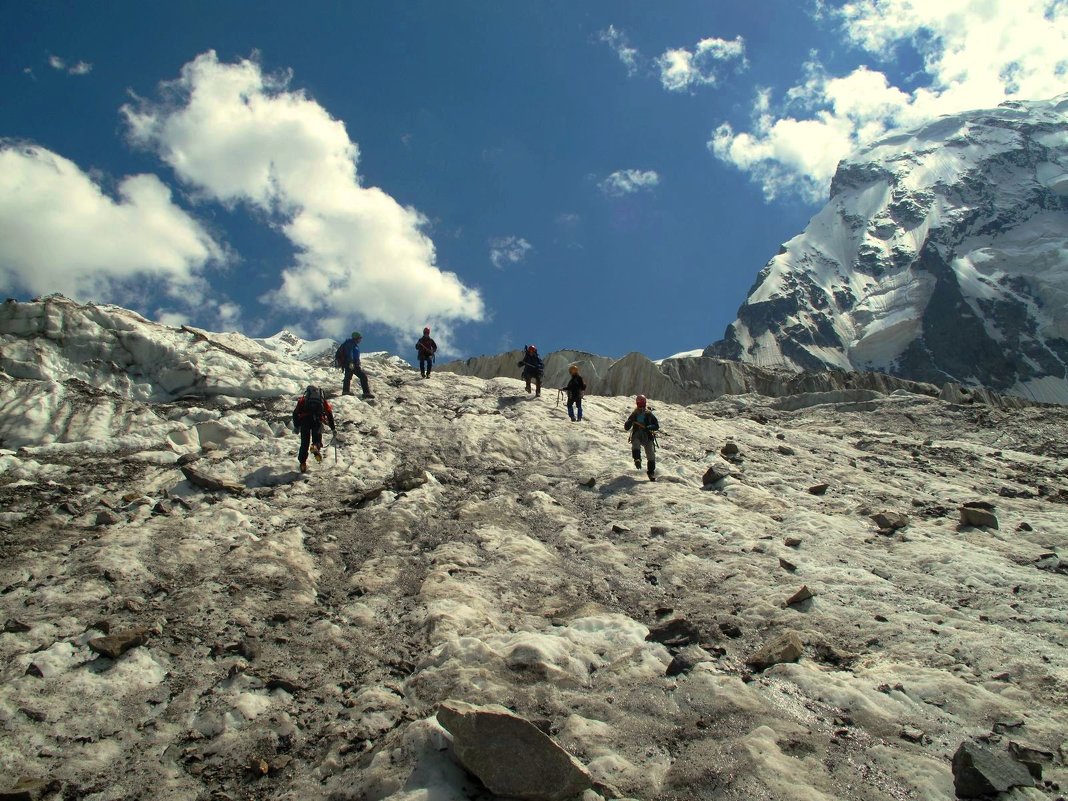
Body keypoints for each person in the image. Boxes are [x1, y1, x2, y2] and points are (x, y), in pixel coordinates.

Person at [292, 385, 336, 474]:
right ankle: (315, 447)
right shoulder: (322, 401)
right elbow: (329, 414)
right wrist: (333, 428)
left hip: (305, 422)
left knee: (304, 443)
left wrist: (296, 426)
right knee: (317, 439)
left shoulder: (303, 400)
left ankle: (303, 463)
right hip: (317, 421)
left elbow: (295, 413)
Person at [624, 394, 660, 481]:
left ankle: (650, 472)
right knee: (635, 444)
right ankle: (637, 459)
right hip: (638, 434)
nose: (641, 408)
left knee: (650, 454)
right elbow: (626, 427)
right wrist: (630, 421)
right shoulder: (635, 414)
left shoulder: (648, 414)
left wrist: (649, 427)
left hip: (647, 435)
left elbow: (656, 425)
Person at [339, 331, 374, 398]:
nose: (360, 340)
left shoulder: (354, 344)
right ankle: (347, 391)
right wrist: (351, 362)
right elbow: (350, 353)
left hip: (354, 364)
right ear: (356, 338)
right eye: (359, 338)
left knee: (351, 377)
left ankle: (347, 391)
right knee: (355, 376)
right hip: (351, 363)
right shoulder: (350, 343)